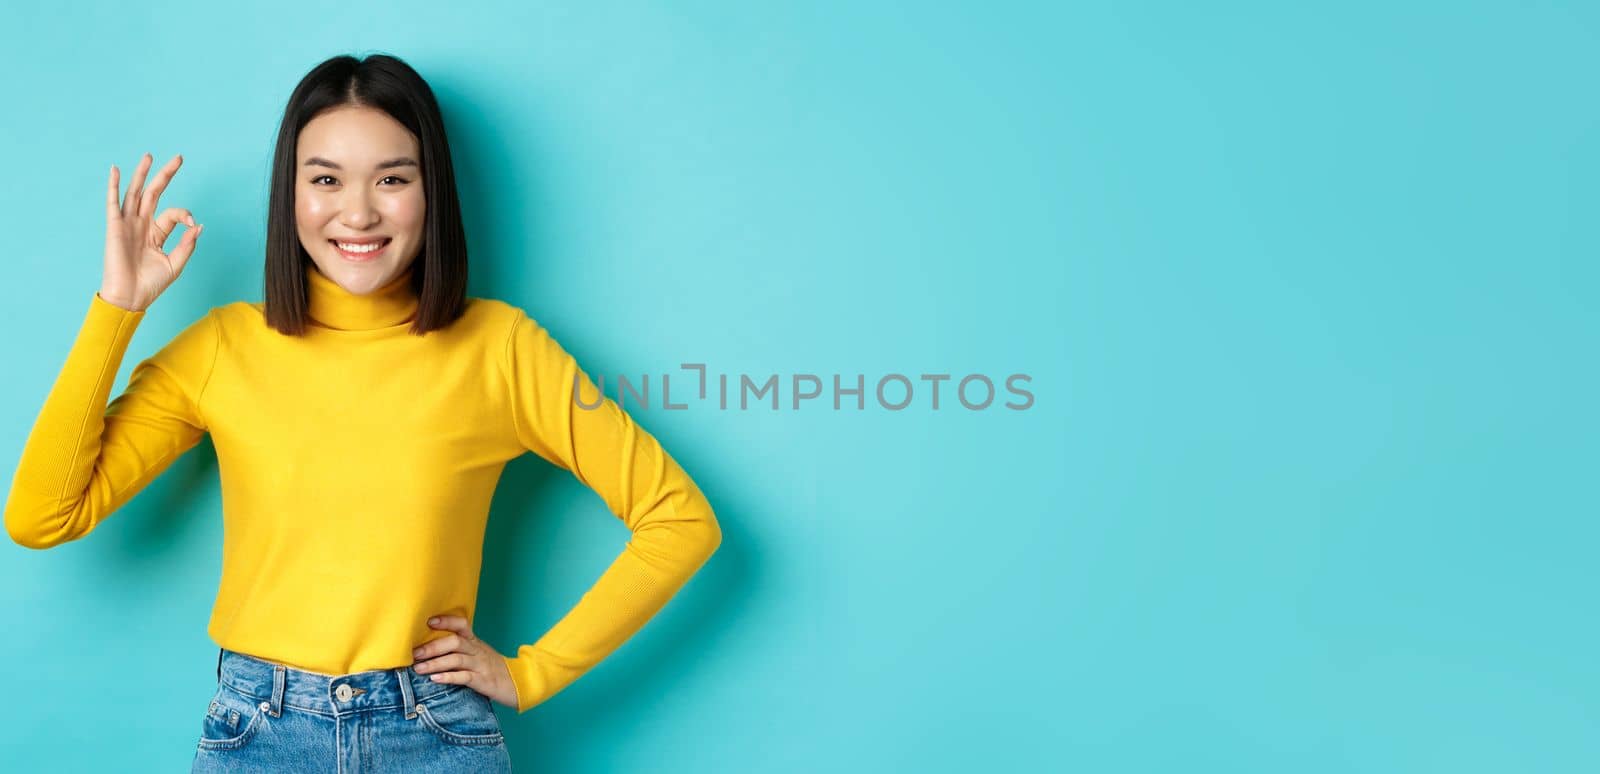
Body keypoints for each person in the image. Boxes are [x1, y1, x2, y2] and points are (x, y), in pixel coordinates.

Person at [3, 53, 722, 773]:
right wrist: (117, 310)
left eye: (392, 179)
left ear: (429, 191)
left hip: (434, 735)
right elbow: (42, 516)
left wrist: (533, 673)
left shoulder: (500, 349)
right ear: (291, 195)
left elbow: (679, 519)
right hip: (260, 732)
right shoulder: (223, 347)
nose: (358, 212)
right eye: (325, 179)